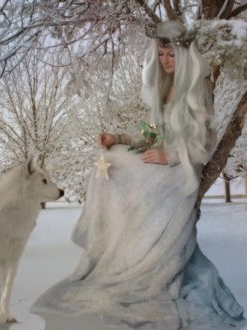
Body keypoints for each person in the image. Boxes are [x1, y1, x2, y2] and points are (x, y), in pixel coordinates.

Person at [31, 21, 245, 330]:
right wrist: (118, 138)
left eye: (171, 55)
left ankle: (138, 262)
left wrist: (169, 156)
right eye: (161, 55)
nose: (165, 61)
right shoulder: (162, 86)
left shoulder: (199, 88)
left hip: (181, 169)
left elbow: (204, 145)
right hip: (158, 158)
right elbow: (149, 133)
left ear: (185, 56)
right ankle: (113, 250)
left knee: (136, 178)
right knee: (113, 161)